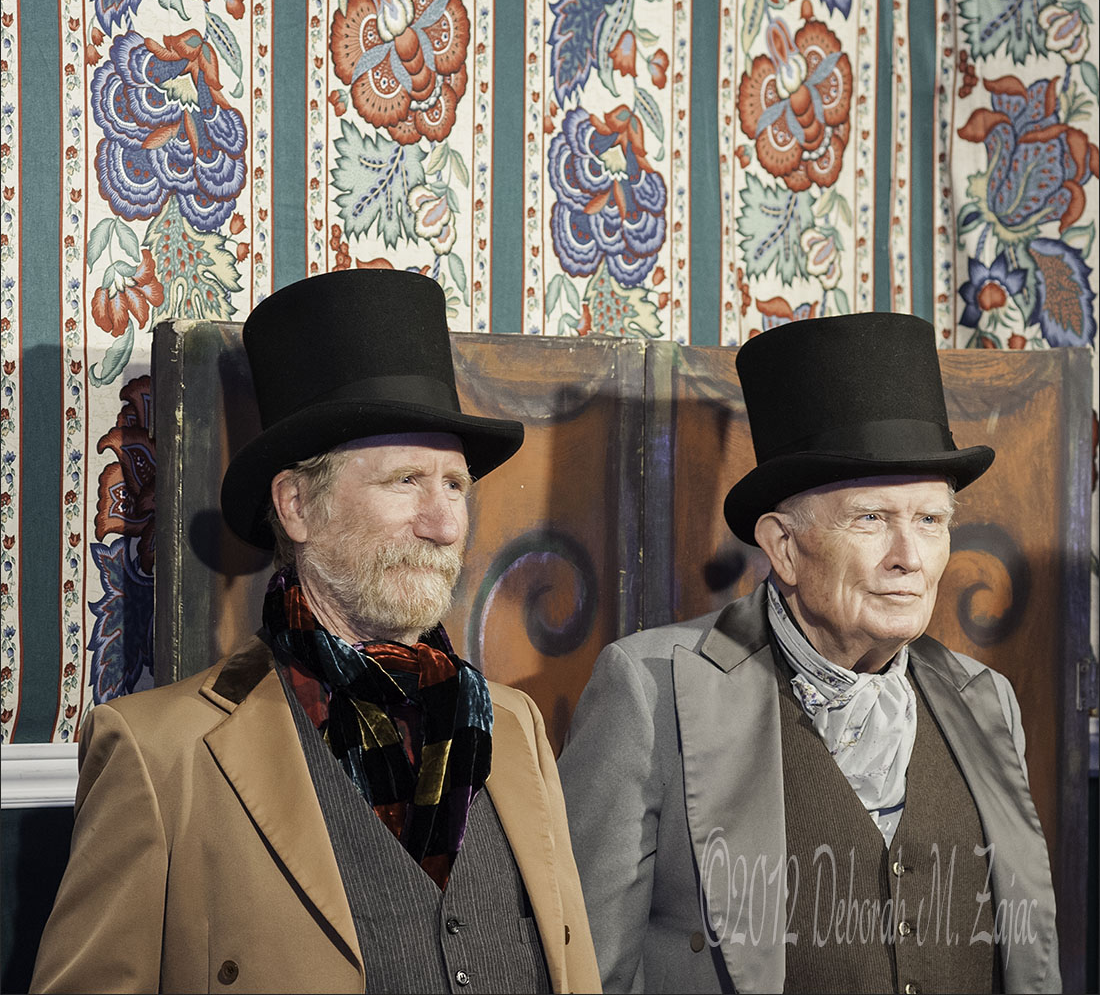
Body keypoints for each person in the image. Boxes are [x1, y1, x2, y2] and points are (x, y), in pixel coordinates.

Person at [32, 269, 601, 994]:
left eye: (455, 485)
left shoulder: (514, 728)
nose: (446, 523)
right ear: (297, 506)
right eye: (406, 482)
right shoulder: (159, 757)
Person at [557, 313, 1060, 994]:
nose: (909, 559)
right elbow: (587, 972)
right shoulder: (652, 691)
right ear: (785, 547)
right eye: (871, 519)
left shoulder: (985, 699)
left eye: (930, 522)